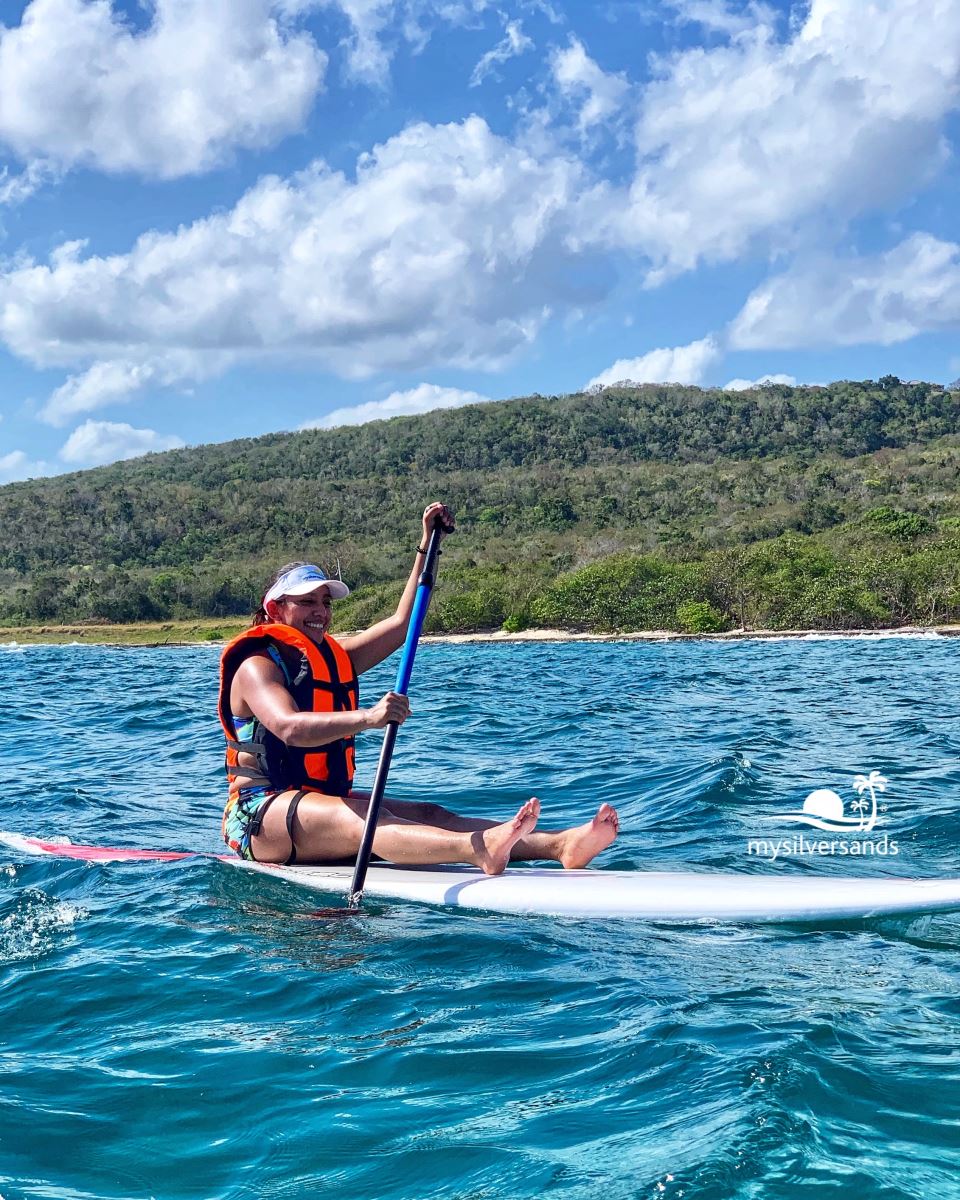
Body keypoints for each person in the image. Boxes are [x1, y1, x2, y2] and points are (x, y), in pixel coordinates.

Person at [218, 502, 619, 874]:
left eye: (325, 601)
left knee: (429, 812)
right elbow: (288, 726)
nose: (321, 611)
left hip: (317, 805)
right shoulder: (257, 665)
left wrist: (427, 546)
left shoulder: (333, 657)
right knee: (371, 820)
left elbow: (403, 622)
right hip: (261, 814)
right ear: (275, 609)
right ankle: (479, 849)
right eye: (307, 602)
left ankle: (560, 845)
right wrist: (370, 717)